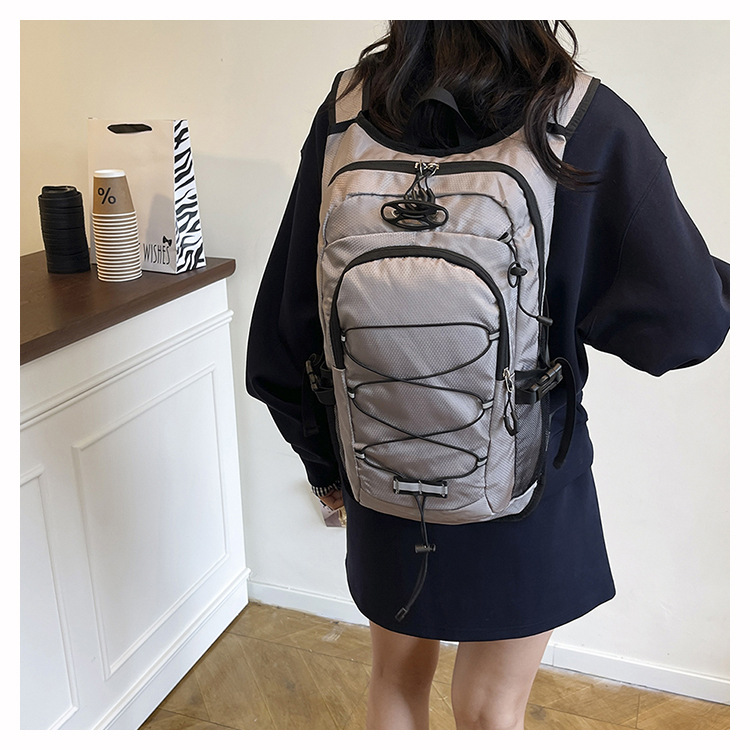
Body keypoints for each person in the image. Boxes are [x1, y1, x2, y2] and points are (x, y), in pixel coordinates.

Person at [246, 21, 729, 730]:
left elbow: (285, 330)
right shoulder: (584, 120)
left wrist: (326, 468)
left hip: (383, 474)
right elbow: (685, 327)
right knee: (490, 711)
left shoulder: (349, 114)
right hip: (528, 483)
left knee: (394, 682)